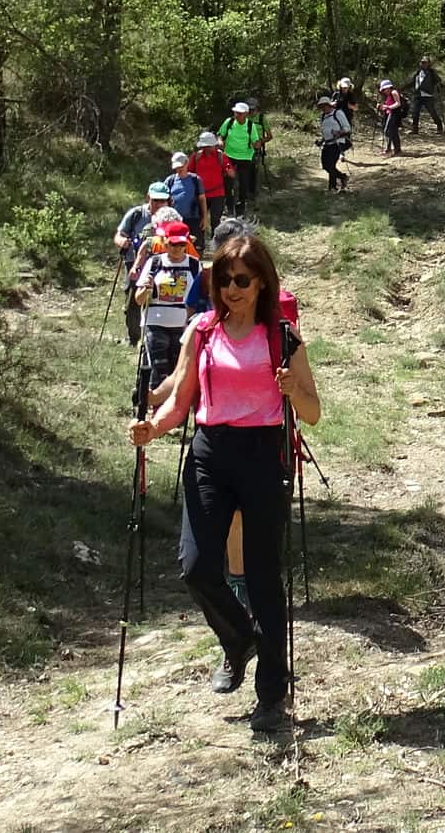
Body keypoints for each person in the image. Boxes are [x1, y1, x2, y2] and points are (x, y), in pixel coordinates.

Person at [129, 234, 319, 734]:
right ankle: (239, 639)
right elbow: (180, 400)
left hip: (262, 456)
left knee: (262, 577)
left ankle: (272, 695)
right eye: (223, 279)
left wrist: (290, 387)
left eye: (241, 280)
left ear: (261, 283)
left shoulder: (282, 337)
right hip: (210, 452)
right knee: (196, 566)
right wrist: (154, 429)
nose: (230, 289)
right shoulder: (202, 330)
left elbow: (313, 413)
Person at [132, 219, 207, 413]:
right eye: (173, 244)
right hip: (154, 321)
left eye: (182, 244)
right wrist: (145, 289)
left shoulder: (194, 265)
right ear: (165, 242)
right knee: (158, 367)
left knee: (178, 369)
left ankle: (174, 411)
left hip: (184, 325)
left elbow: (201, 297)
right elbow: (139, 300)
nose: (177, 248)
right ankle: (157, 411)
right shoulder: (154, 262)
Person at [113, 181, 170, 342]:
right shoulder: (136, 214)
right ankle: (134, 337)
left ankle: (153, 336)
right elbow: (119, 235)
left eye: (162, 200)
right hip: (134, 263)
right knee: (132, 301)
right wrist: (122, 242)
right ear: (148, 198)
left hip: (162, 264)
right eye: (155, 200)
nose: (159, 204)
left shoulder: (170, 216)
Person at [217, 101, 270, 214]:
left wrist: (257, 144)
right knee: (228, 181)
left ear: (246, 114)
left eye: (240, 113)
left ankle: (241, 206)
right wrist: (220, 141)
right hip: (229, 156)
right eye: (236, 112)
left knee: (243, 182)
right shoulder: (229, 122)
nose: (237, 115)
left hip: (245, 157)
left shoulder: (251, 126)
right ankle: (229, 206)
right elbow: (220, 135)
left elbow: (256, 141)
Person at [190, 132, 230, 233]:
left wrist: (230, 171)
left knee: (215, 221)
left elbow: (230, 171)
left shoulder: (221, 156)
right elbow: (189, 172)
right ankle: (200, 244)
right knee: (199, 220)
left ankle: (215, 244)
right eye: (205, 146)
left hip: (218, 193)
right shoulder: (196, 157)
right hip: (201, 194)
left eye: (209, 146)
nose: (207, 148)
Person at [164, 151, 207, 242]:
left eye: (181, 166)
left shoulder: (196, 180)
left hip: (194, 219)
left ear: (187, 163)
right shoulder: (170, 181)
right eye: (176, 167)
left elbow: (202, 199)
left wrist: (204, 217)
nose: (179, 169)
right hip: (174, 220)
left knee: (196, 246)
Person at [316, 95, 350, 193]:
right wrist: (321, 141)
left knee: (330, 164)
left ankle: (332, 187)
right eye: (321, 106)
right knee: (325, 165)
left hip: (338, 142)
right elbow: (325, 131)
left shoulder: (338, 113)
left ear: (329, 105)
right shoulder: (323, 116)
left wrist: (339, 132)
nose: (323, 108)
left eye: (324, 106)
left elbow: (347, 128)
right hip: (327, 143)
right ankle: (343, 177)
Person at [377, 79, 406, 156]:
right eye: (383, 89)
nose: (384, 91)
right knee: (390, 131)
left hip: (394, 114)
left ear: (389, 87)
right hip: (389, 114)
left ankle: (395, 150)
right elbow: (388, 105)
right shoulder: (388, 94)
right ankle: (391, 149)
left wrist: (388, 107)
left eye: (385, 89)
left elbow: (398, 103)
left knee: (389, 131)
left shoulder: (394, 92)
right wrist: (381, 107)